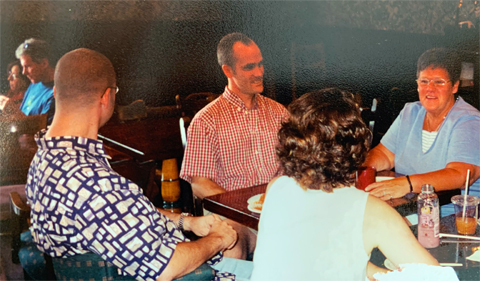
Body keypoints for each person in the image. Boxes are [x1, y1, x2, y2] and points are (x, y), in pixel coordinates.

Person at [25, 48, 253, 281]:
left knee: (238, 235)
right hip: (188, 275)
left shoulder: (44, 159)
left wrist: (188, 222)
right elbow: (166, 267)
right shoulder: (93, 182)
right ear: (106, 97)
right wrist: (218, 239)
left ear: (55, 92)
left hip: (129, 266)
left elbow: (119, 216)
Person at [250, 88, 439, 280]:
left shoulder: (277, 188)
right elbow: (439, 278)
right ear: (356, 146)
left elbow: (314, 258)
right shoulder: (372, 212)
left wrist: (379, 273)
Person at [180, 32, 289, 259]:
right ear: (228, 70)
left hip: (281, 212)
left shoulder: (280, 112)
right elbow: (199, 183)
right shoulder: (207, 120)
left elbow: (297, 166)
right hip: (235, 219)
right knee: (232, 243)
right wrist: (242, 210)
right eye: (249, 67)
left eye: (260, 65)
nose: (259, 73)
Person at [364, 48, 480, 217]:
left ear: (455, 86)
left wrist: (407, 184)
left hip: (451, 218)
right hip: (411, 209)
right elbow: (385, 154)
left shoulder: (469, 120)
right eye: (424, 81)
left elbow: (461, 175)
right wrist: (356, 169)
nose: (430, 89)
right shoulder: (410, 112)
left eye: (439, 82)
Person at [15, 38, 55, 123]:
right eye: (23, 67)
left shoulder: (56, 94)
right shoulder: (33, 84)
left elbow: (41, 130)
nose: (23, 72)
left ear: (44, 63)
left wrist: (13, 111)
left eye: (28, 66)